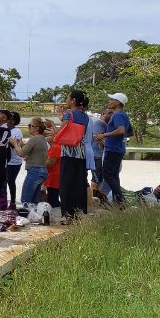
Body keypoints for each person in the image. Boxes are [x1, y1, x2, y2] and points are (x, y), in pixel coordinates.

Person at [57, 90, 92, 224]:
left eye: (68, 98)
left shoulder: (69, 114)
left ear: (73, 101)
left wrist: (54, 129)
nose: (66, 100)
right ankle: (79, 213)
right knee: (79, 184)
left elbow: (62, 131)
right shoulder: (85, 116)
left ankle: (67, 215)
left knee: (66, 184)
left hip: (68, 152)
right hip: (80, 153)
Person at [94, 93, 131, 208]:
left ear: (118, 103)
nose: (109, 102)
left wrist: (104, 135)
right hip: (118, 148)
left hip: (113, 149)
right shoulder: (123, 115)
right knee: (114, 175)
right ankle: (118, 201)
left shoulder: (118, 115)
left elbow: (121, 130)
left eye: (112, 100)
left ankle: (120, 200)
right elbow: (130, 132)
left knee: (108, 174)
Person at [9, 118, 48, 206]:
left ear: (37, 128)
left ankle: (27, 217)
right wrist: (19, 145)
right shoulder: (42, 139)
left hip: (34, 171)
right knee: (34, 201)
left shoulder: (34, 139)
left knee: (26, 200)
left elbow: (21, 153)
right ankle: (34, 217)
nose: (29, 127)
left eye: (31, 126)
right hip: (42, 171)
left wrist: (15, 144)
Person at [91, 109, 111, 201]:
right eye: (110, 113)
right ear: (103, 114)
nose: (112, 115)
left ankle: (97, 198)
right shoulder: (100, 124)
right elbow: (97, 138)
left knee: (99, 178)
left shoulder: (103, 125)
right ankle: (92, 198)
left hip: (99, 155)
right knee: (96, 178)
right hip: (97, 155)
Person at [5, 111, 23, 209]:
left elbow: (13, 145)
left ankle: (12, 203)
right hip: (6, 160)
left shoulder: (17, 131)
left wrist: (6, 137)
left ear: (13, 121)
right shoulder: (5, 129)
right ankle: (4, 201)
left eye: (8, 118)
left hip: (14, 161)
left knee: (10, 181)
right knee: (5, 181)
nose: (6, 120)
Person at [43, 120, 62, 208]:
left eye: (50, 135)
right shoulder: (54, 147)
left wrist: (37, 162)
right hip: (53, 176)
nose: (47, 136)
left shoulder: (56, 147)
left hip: (54, 177)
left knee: (53, 200)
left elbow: (50, 163)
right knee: (53, 197)